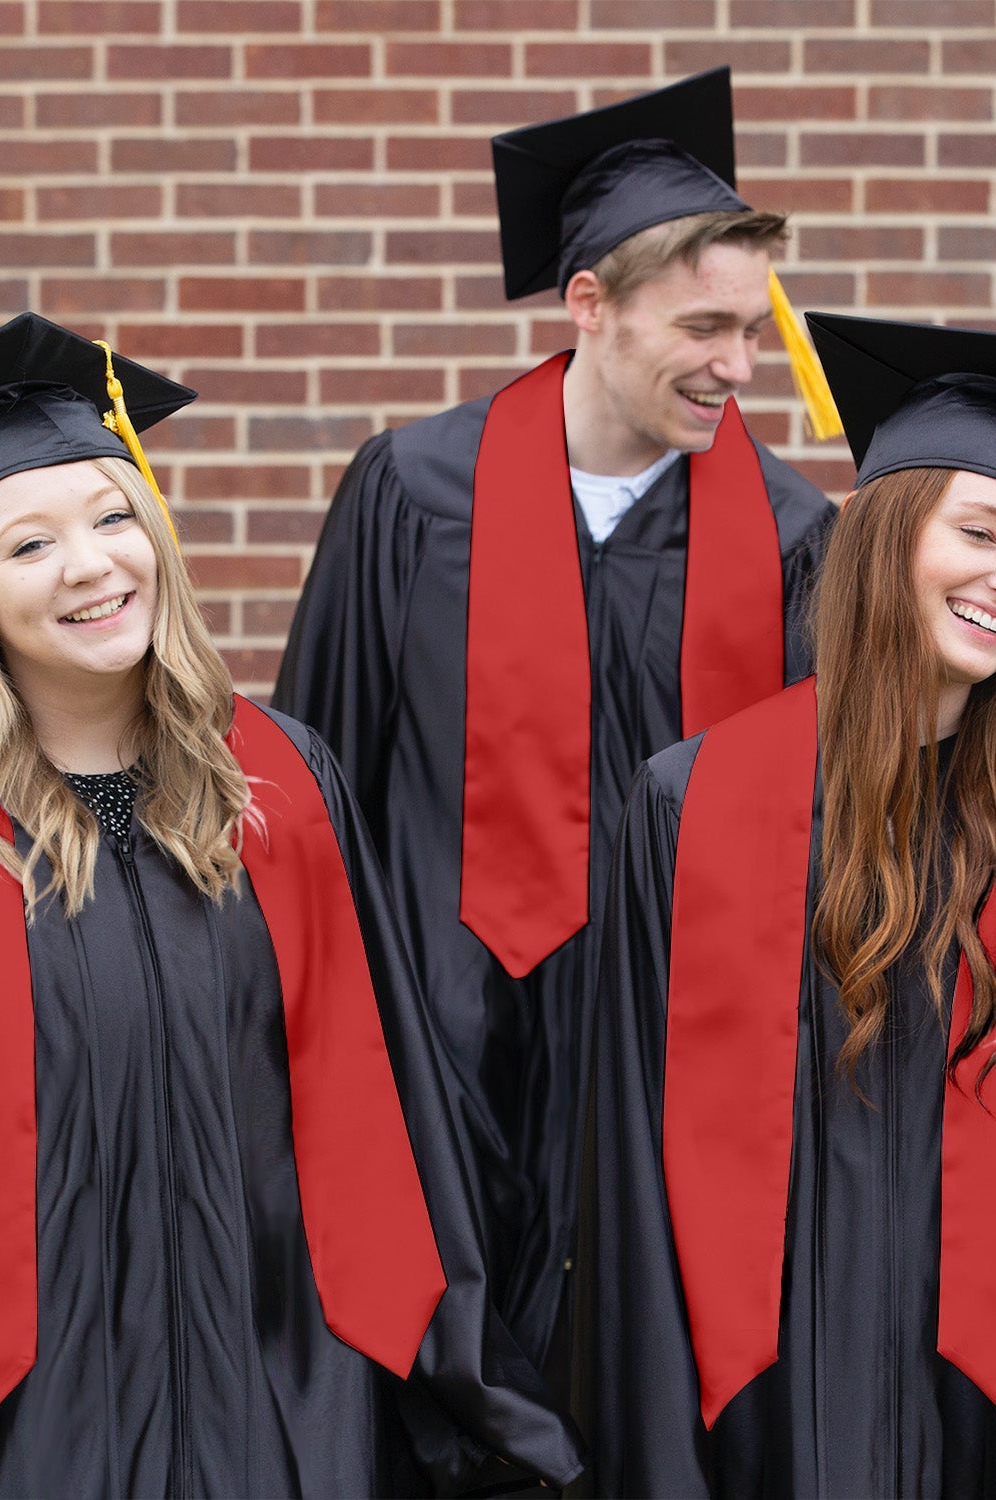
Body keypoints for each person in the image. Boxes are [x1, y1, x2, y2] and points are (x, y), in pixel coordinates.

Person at [0, 312, 585, 1498]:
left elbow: (392, 1098)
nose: (94, 565)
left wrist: (467, 1388)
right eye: (31, 544)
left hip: (283, 1385)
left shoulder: (283, 782)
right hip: (18, 1420)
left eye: (114, 517)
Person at [574, 314, 996, 1496]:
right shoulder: (688, 804)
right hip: (771, 1420)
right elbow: (630, 1176)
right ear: (883, 535)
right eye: (978, 532)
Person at [272, 66, 835, 1390]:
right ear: (591, 303)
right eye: (705, 327)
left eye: (753, 330)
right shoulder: (412, 490)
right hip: (436, 1041)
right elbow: (319, 775)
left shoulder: (797, 538)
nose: (738, 368)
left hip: (671, 1051)